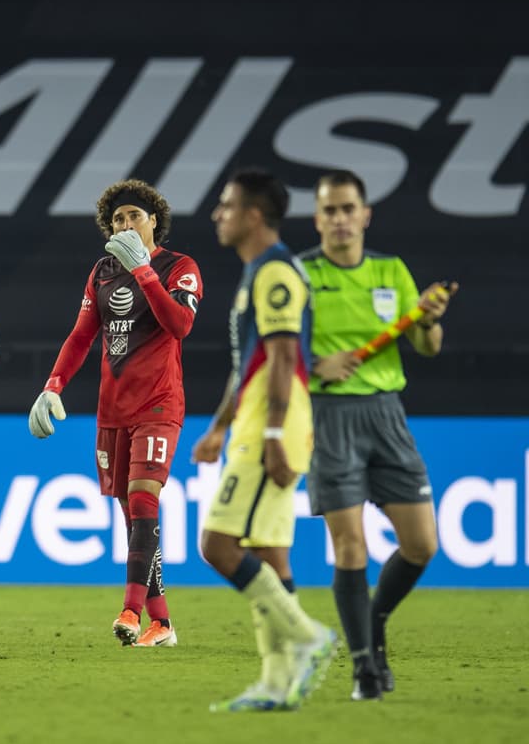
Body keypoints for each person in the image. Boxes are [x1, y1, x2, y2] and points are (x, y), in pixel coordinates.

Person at [28, 179, 203, 648]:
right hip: (113, 410)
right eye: (118, 219)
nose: (126, 225)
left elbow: (180, 325)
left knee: (145, 497)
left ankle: (130, 608)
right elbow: (82, 335)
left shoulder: (179, 267)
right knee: (132, 514)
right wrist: (52, 386)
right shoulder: (101, 271)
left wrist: (145, 271)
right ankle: (161, 622)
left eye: (134, 217)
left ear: (153, 222)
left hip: (159, 404)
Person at [301, 169, 452, 701]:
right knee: (349, 546)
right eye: (330, 210)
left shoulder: (392, 271)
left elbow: (427, 347)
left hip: (387, 415)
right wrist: (318, 363)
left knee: (421, 544)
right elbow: (273, 354)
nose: (340, 219)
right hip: (328, 416)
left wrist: (430, 320)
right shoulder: (298, 276)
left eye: (348, 209)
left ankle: (372, 621)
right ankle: (365, 667)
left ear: (365, 215)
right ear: (318, 218)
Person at [191, 169, 337, 711]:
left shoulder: (275, 273)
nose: (217, 214)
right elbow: (248, 364)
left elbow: (280, 359)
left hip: (271, 428)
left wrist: (271, 432)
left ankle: (306, 636)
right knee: (269, 554)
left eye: (226, 205)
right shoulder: (259, 271)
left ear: (254, 215)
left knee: (218, 545)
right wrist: (218, 427)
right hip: (260, 424)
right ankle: (277, 685)